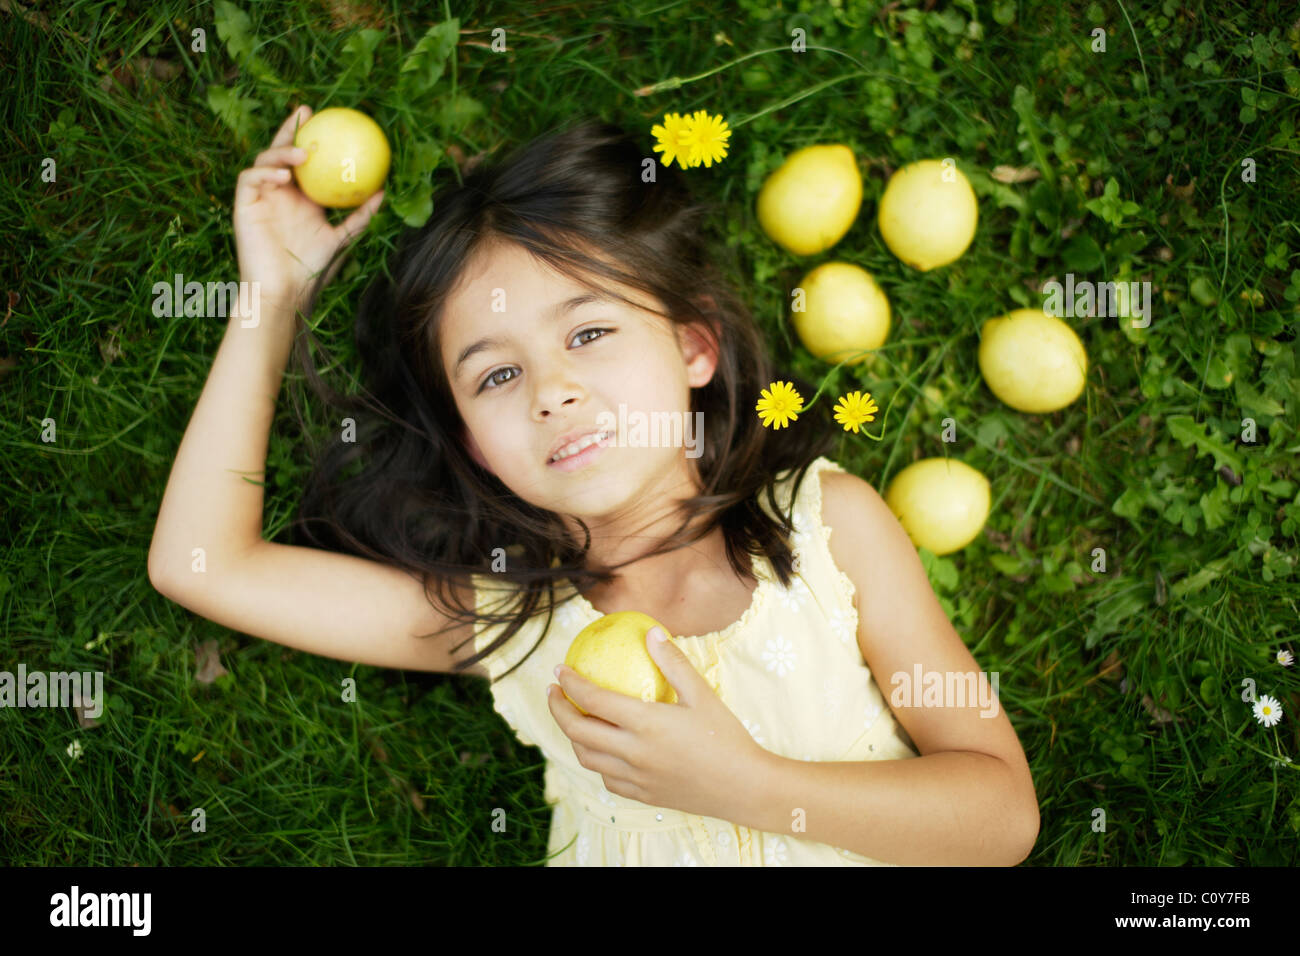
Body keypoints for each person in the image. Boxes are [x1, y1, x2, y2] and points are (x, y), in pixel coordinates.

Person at [148, 105, 1039, 867]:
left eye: (587, 334)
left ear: (694, 346)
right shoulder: (510, 622)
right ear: (476, 445)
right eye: (496, 376)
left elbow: (1002, 815)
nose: (552, 392)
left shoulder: (824, 529)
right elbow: (203, 564)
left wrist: (752, 787)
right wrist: (273, 297)